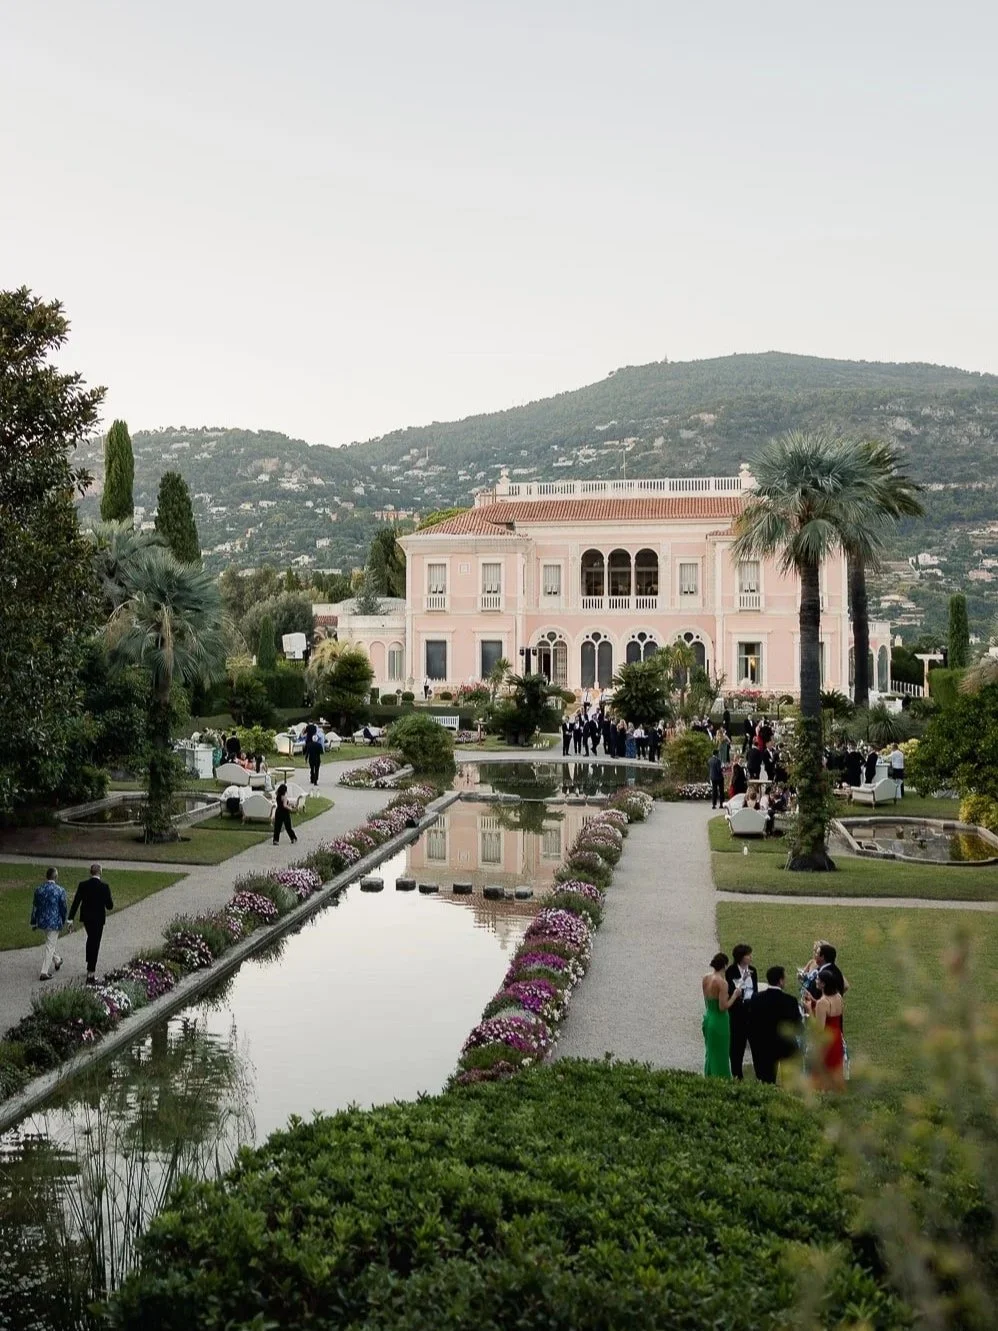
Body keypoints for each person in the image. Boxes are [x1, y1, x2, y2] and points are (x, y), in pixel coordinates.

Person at [751, 966, 803, 1083]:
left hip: (764, 1046)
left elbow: (752, 1023)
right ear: (780, 981)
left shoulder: (756, 999)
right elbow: (798, 1026)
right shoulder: (790, 1001)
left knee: (766, 1081)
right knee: (789, 1082)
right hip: (786, 1046)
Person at [68, 863, 114, 985]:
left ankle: (89, 963)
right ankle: (91, 973)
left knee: (91, 939)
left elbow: (76, 902)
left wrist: (70, 918)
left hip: (87, 918)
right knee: (95, 942)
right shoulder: (104, 887)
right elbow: (109, 906)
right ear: (100, 872)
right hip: (98, 919)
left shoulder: (83, 885)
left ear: (90, 872)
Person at [702, 951, 743, 1078]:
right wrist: (735, 995)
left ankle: (708, 1075)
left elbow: (706, 1000)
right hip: (719, 1021)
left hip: (709, 1017)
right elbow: (723, 1006)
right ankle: (721, 1078)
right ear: (725, 965)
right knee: (721, 1054)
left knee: (710, 1052)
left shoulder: (706, 978)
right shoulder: (722, 982)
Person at [725, 943, 759, 1079]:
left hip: (751, 1012)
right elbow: (730, 991)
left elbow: (754, 989)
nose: (750, 957)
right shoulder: (731, 971)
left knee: (756, 1046)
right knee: (737, 1048)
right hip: (738, 1013)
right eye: (748, 955)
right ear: (740, 957)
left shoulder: (753, 970)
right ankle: (737, 1075)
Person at [809, 968, 846, 1090]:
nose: (816, 981)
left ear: (823, 984)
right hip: (837, 1039)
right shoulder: (839, 997)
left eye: (818, 979)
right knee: (835, 1070)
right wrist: (814, 1001)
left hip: (826, 1043)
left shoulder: (822, 1002)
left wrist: (809, 1009)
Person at [30, 867, 68, 981]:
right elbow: (63, 907)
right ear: (55, 877)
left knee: (49, 942)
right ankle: (44, 972)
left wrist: (34, 921)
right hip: (54, 921)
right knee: (50, 945)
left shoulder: (39, 889)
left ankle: (57, 960)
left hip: (42, 921)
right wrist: (64, 918)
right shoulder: (59, 890)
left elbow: (35, 906)